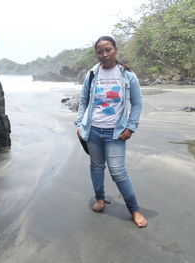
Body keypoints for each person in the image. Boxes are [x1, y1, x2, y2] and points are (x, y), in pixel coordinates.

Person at [74, 36, 147, 228]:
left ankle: (134, 209)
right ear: (96, 53)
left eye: (108, 50)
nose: (104, 54)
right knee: (96, 167)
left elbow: (137, 103)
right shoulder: (91, 74)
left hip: (116, 133)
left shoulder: (127, 75)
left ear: (115, 49)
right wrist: (79, 124)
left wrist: (131, 126)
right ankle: (100, 198)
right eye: (100, 51)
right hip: (93, 130)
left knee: (118, 171)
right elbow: (83, 101)